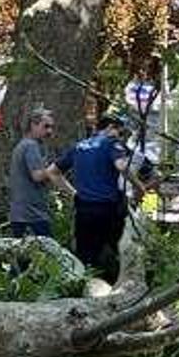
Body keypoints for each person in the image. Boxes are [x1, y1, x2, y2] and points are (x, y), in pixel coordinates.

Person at [54, 115, 146, 284]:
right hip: (107, 210)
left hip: (83, 208)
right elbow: (122, 166)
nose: (120, 136)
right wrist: (140, 187)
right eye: (119, 132)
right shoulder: (111, 144)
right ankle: (110, 290)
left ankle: (83, 287)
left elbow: (52, 172)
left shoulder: (79, 146)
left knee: (84, 254)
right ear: (110, 127)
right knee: (111, 252)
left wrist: (73, 193)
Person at [8, 108, 71, 237]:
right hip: (31, 216)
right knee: (46, 255)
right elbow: (37, 176)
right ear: (33, 125)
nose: (50, 131)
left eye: (52, 127)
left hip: (21, 214)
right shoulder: (31, 146)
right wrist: (57, 168)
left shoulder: (23, 145)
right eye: (46, 126)